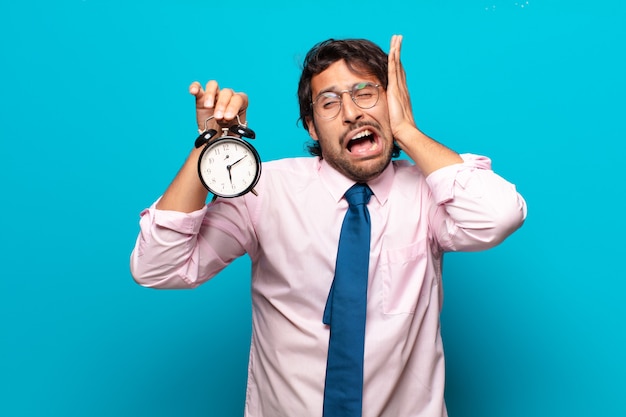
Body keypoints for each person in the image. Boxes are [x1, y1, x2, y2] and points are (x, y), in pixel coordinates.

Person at [130, 35, 527, 417]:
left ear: (392, 102)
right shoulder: (264, 191)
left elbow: (498, 215)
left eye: (365, 93)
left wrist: (405, 130)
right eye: (330, 102)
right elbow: (158, 267)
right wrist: (210, 144)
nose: (352, 112)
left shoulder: (428, 191)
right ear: (312, 128)